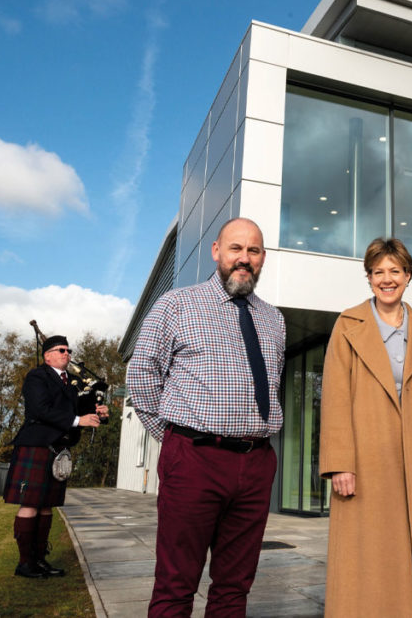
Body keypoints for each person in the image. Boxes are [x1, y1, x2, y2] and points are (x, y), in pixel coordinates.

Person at [127, 217, 285, 617]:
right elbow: (141, 375)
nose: (243, 259)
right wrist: (177, 438)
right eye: (236, 249)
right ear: (217, 251)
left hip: (256, 462)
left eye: (253, 251)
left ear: (263, 258)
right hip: (194, 459)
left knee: (235, 586)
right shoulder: (176, 305)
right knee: (176, 583)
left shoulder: (274, 319)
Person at [320, 237, 412, 617]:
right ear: (368, 278)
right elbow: (333, 398)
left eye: (394, 271)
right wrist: (339, 463)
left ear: (408, 276)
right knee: (364, 559)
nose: (387, 279)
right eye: (378, 272)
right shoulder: (347, 325)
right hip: (364, 462)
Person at [4, 334, 109, 578]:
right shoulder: (37, 377)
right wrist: (77, 420)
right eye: (61, 350)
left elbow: (81, 412)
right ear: (47, 355)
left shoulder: (70, 382)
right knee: (30, 504)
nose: (67, 354)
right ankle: (25, 563)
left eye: (68, 350)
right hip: (36, 445)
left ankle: (40, 560)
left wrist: (99, 414)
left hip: (58, 449)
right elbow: (40, 409)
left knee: (47, 506)